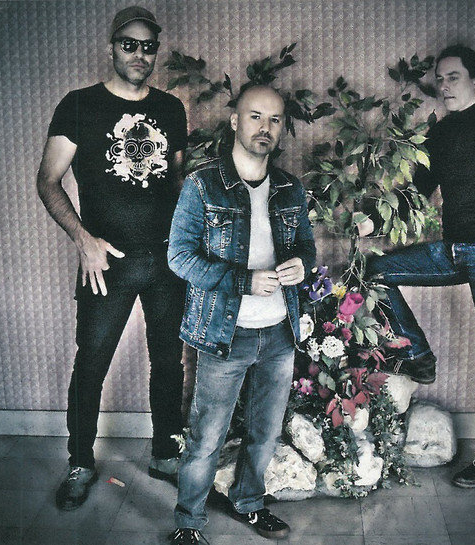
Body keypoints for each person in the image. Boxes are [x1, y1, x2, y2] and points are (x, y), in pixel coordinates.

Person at [36, 6, 187, 510]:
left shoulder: (171, 108)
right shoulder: (79, 105)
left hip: (166, 261)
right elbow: (48, 180)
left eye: (148, 46)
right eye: (129, 44)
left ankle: (166, 453)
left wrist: (189, 247)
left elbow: (177, 183)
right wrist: (83, 239)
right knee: (92, 362)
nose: (139, 54)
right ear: (111, 48)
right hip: (106, 263)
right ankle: (80, 462)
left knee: (168, 361)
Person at [366, 44, 475, 488]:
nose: (444, 86)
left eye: (453, 77)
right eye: (439, 80)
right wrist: (372, 220)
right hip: (452, 250)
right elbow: (415, 193)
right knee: (375, 272)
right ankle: (418, 355)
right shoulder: (439, 134)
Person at [167, 85, 316, 545]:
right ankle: (189, 524)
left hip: (280, 333)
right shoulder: (202, 185)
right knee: (206, 437)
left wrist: (301, 265)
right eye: (255, 116)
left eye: (274, 119)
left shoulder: (290, 187)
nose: (264, 128)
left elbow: (306, 247)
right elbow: (179, 257)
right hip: (224, 335)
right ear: (235, 121)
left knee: (266, 432)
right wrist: (242, 280)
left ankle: (249, 503)